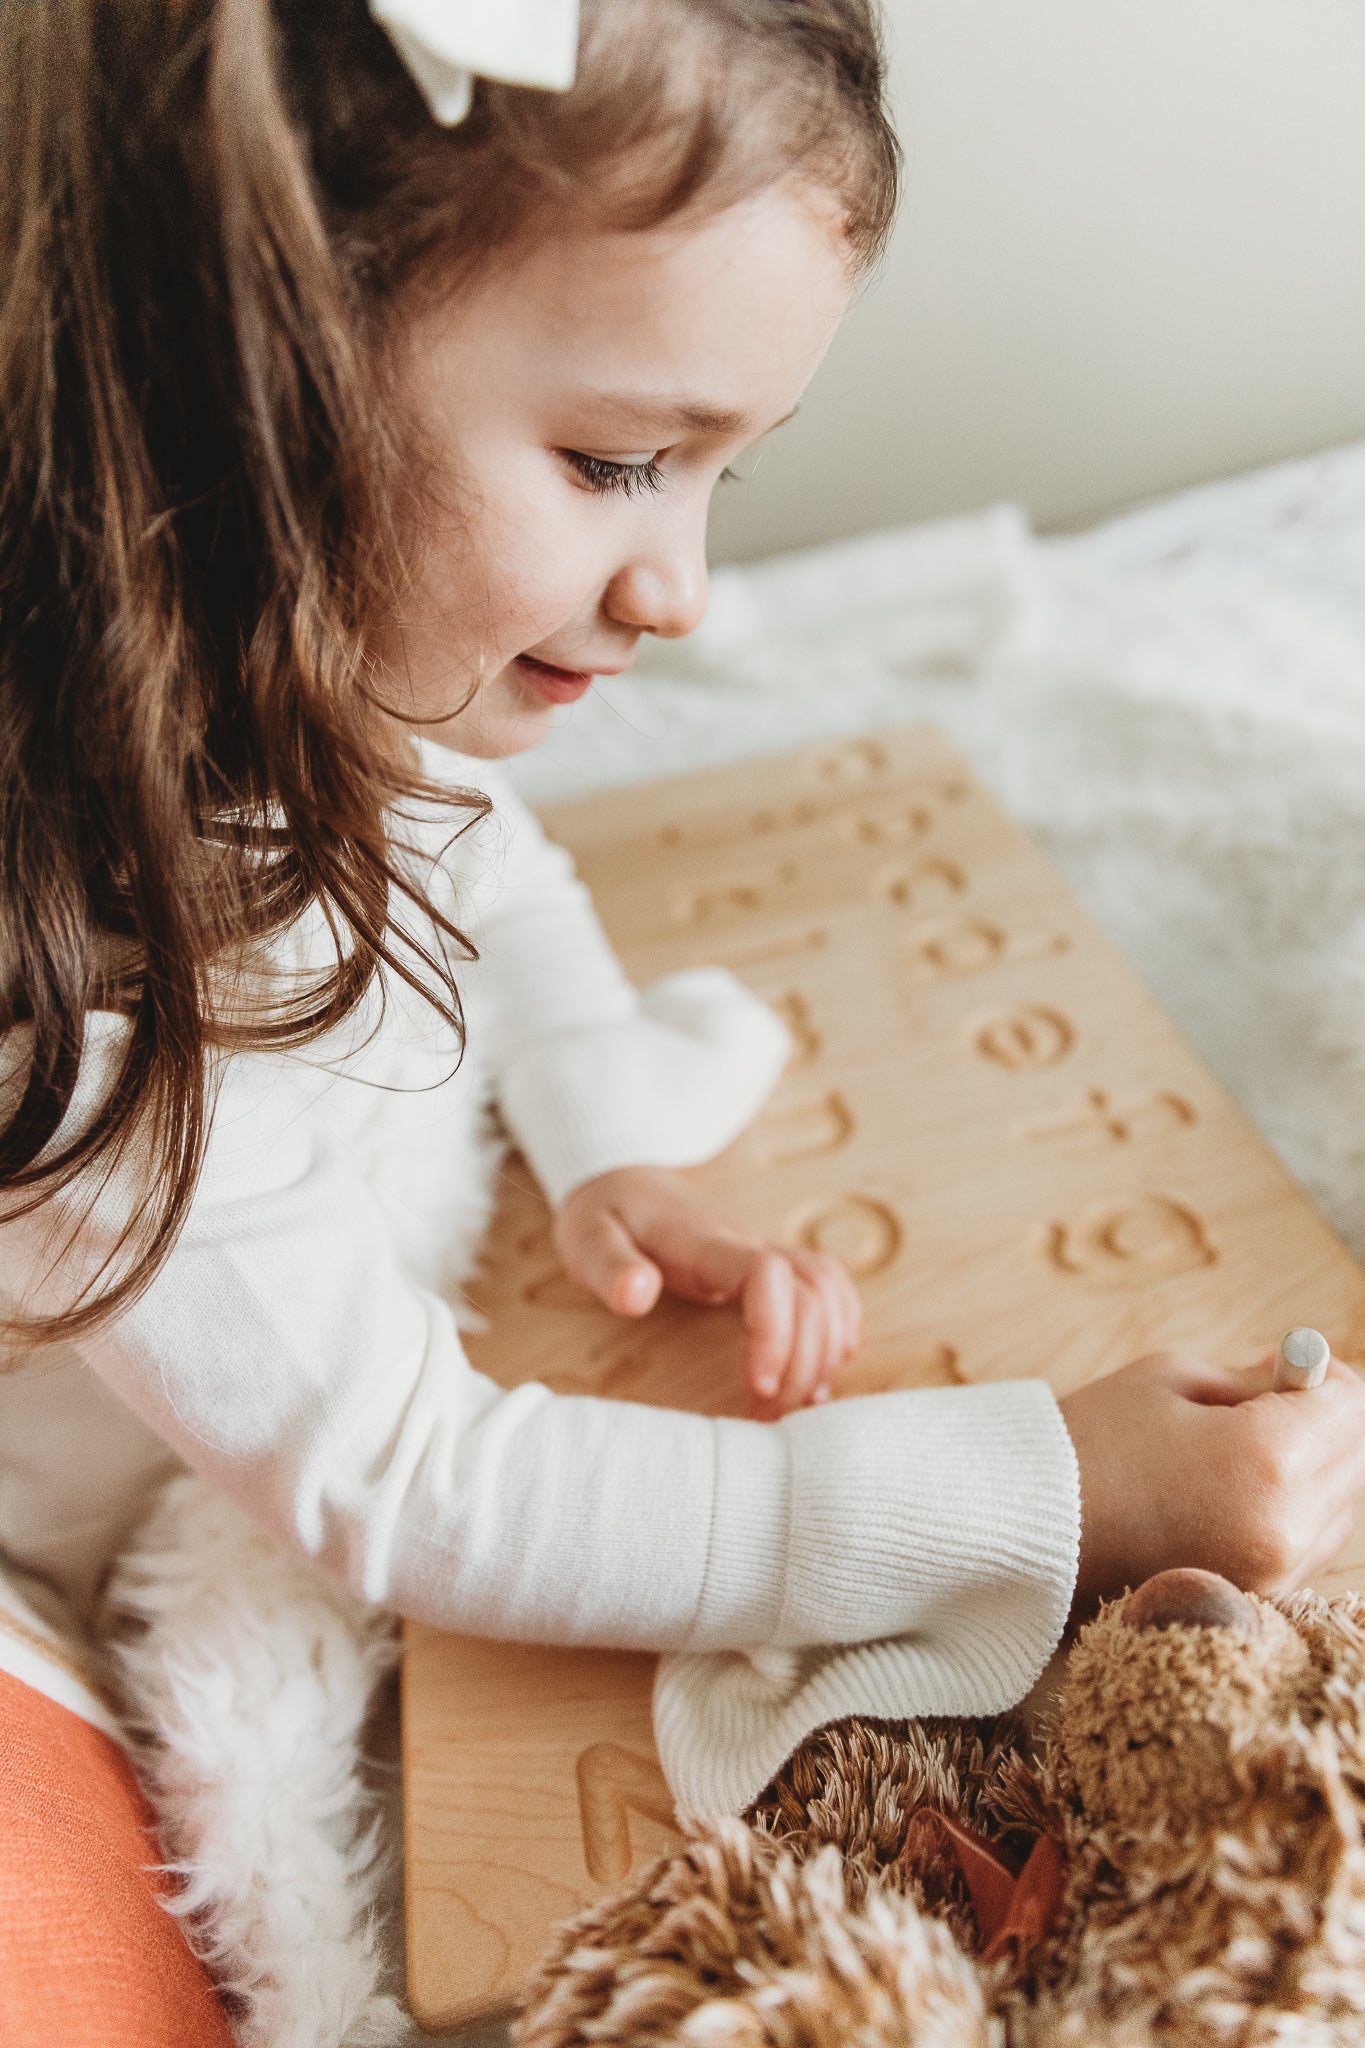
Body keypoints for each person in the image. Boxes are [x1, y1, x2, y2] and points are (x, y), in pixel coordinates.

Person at [2, 0, 1364, 1820]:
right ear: (232, 381)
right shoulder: (75, 1000)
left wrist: (601, 1134)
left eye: (732, 469)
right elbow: (419, 1484)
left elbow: (489, 864)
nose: (688, 591)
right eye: (617, 463)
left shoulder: (310, 663)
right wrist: (1049, 1485)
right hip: (140, 1493)